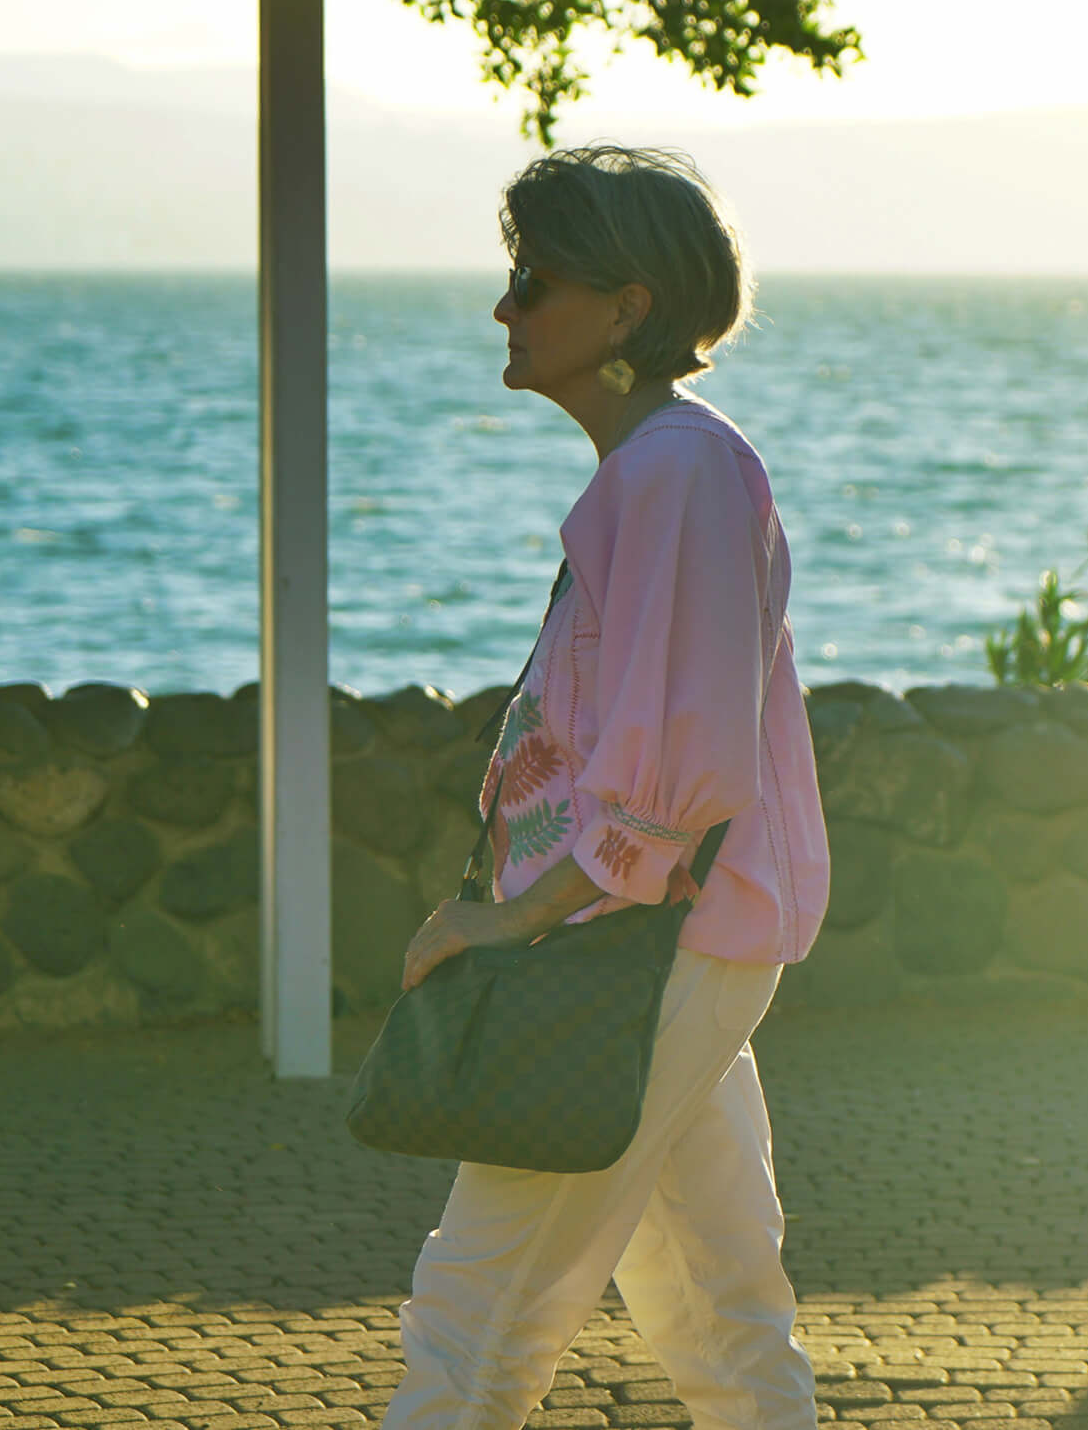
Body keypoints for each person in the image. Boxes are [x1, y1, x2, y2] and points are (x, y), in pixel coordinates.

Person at [379, 144, 832, 1430]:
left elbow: (679, 777)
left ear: (627, 305)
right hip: (656, 946)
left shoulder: (678, 470)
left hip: (637, 947)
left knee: (481, 1303)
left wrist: (503, 919)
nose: (506, 308)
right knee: (717, 1303)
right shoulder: (656, 470)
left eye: (534, 280)